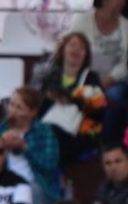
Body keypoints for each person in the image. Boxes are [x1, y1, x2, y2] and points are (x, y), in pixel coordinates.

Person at [67, 0, 128, 139]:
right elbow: (71, 49)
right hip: (84, 77)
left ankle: (105, 143)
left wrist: (109, 79)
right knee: (82, 95)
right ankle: (82, 141)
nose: (122, 0)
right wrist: (91, 80)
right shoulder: (82, 21)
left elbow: (127, 62)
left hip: (115, 80)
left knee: (111, 97)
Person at [0, 86, 62, 204]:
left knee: (28, 194)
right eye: (11, 104)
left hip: (37, 182)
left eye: (19, 108)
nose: (12, 111)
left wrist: (24, 147)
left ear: (32, 112)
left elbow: (50, 163)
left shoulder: (44, 130)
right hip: (3, 182)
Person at [35, 31, 108, 164]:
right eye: (73, 45)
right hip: (50, 128)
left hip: (80, 131)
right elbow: (38, 111)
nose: (76, 50)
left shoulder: (91, 78)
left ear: (86, 54)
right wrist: (49, 98)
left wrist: (74, 101)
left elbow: (100, 112)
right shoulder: (49, 76)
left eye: (81, 47)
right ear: (63, 50)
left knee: (58, 140)